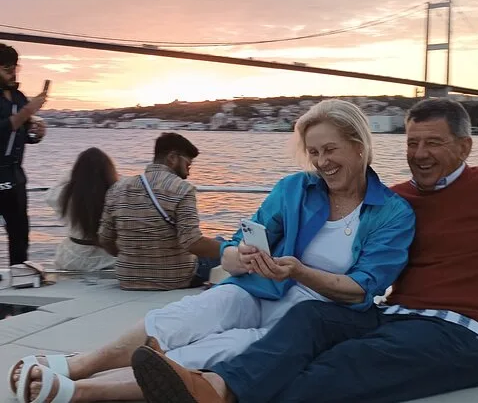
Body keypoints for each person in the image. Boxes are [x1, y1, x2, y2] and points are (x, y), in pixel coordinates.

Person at [130, 97, 478, 403]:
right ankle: (215, 388)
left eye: (434, 143)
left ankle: (219, 392)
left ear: (465, 146)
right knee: (311, 320)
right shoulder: (393, 202)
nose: (419, 154)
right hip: (394, 317)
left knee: (343, 366)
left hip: (466, 334)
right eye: (411, 143)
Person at [8, 99, 415, 403]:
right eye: (313, 152)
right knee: (189, 313)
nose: (321, 162)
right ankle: (78, 365)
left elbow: (362, 289)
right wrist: (238, 257)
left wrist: (298, 272)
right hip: (263, 288)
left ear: (358, 146)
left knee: (224, 348)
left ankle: (81, 392)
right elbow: (240, 241)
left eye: (330, 149)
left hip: (318, 314)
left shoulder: (392, 212)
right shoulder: (294, 188)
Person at [97, 132, 223, 290]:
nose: (188, 173)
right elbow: (192, 242)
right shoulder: (182, 189)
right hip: (175, 278)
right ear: (172, 158)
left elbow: (105, 239)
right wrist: (230, 249)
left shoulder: (117, 189)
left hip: (127, 278)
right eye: (187, 165)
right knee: (224, 246)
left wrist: (134, 258)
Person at [0, 43, 48, 266]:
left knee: (20, 236)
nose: (13, 73)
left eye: (15, 68)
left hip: (15, 175)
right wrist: (29, 110)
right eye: (7, 69)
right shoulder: (23, 104)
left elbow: (21, 132)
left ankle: (19, 277)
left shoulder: (18, 97)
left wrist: (36, 133)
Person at [45, 147, 118, 271]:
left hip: (72, 258)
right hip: (107, 258)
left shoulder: (64, 194)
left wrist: (74, 174)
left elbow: (49, 196)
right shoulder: (116, 194)